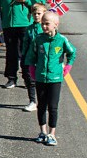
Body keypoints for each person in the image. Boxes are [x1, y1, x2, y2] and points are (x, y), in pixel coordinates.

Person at [23, 11, 75, 147]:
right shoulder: (38, 39)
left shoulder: (62, 40)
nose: (44, 26)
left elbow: (72, 53)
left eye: (47, 24)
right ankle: (43, 132)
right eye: (42, 24)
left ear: (56, 25)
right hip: (41, 77)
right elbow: (31, 55)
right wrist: (32, 69)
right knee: (41, 106)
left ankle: (52, 133)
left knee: (53, 107)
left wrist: (67, 67)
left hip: (55, 78)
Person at [21, 3, 48, 113]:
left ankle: (43, 102)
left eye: (39, 13)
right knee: (29, 80)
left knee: (42, 82)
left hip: (42, 60)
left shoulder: (46, 29)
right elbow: (25, 44)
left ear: (44, 14)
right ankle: (32, 101)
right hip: (30, 59)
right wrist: (23, 57)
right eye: (34, 13)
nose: (36, 16)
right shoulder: (29, 29)